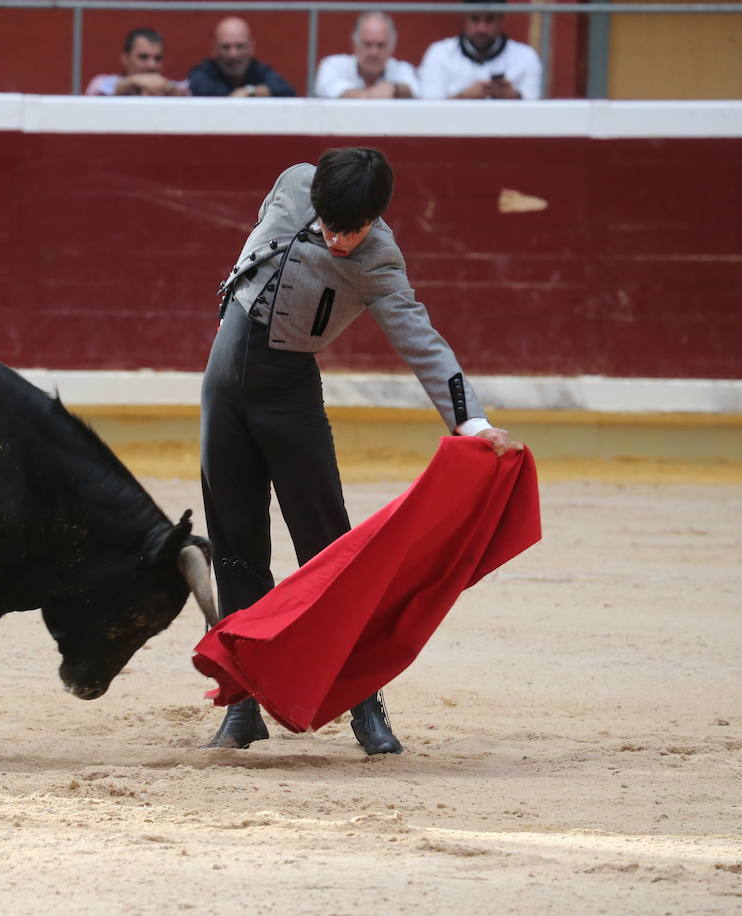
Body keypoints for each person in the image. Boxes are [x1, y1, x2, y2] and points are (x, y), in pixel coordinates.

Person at [199, 147, 521, 755]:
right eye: (330, 224)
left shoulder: (378, 260)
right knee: (236, 547)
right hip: (223, 382)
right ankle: (242, 708)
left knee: (329, 550)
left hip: (290, 394)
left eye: (354, 228)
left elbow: (421, 338)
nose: (339, 239)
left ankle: (362, 706)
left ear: (378, 217)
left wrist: (471, 423)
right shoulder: (293, 181)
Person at [418, 0, 543, 100]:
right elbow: (428, 112)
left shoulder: (526, 57)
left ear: (501, 19)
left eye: (489, 20)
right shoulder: (440, 54)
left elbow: (536, 117)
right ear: (465, 18)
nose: (481, 29)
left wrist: (514, 97)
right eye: (475, 19)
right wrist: (463, 97)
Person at [314, 11, 419, 99]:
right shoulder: (333, 65)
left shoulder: (402, 69)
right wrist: (366, 96)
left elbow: (416, 91)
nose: (374, 52)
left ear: (392, 46)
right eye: (367, 44)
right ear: (355, 44)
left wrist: (394, 89)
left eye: (381, 45)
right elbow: (326, 87)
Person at [188, 16, 296, 98]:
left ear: (251, 47)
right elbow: (202, 89)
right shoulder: (204, 72)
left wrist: (250, 91)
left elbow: (286, 90)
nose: (233, 54)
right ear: (214, 48)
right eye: (226, 47)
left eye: (240, 46)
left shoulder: (258, 70)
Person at [84, 27, 187, 97]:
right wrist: (132, 82)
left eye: (157, 58)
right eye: (143, 57)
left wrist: (168, 89)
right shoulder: (103, 83)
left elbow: (186, 92)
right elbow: (97, 88)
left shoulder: (171, 87)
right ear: (125, 58)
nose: (151, 65)